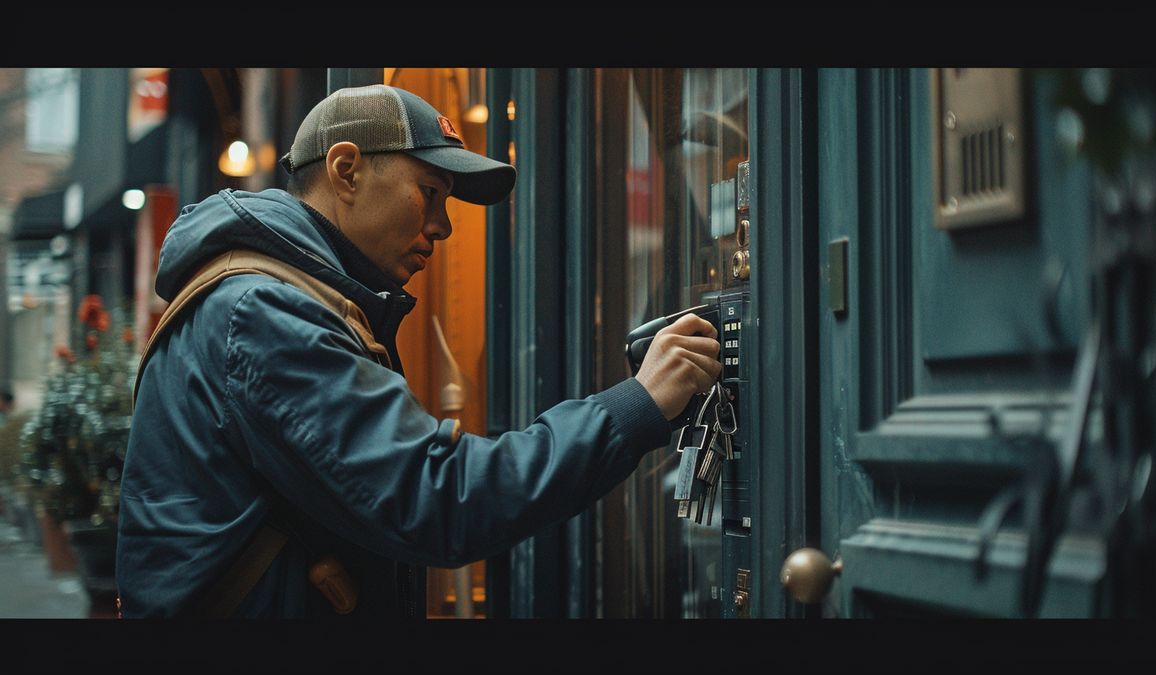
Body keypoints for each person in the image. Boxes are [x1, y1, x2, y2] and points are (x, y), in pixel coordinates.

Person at [116, 84, 721, 618]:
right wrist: (639, 403)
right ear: (346, 170)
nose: (442, 225)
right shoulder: (266, 314)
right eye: (429, 192)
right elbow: (436, 498)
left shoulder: (279, 300)